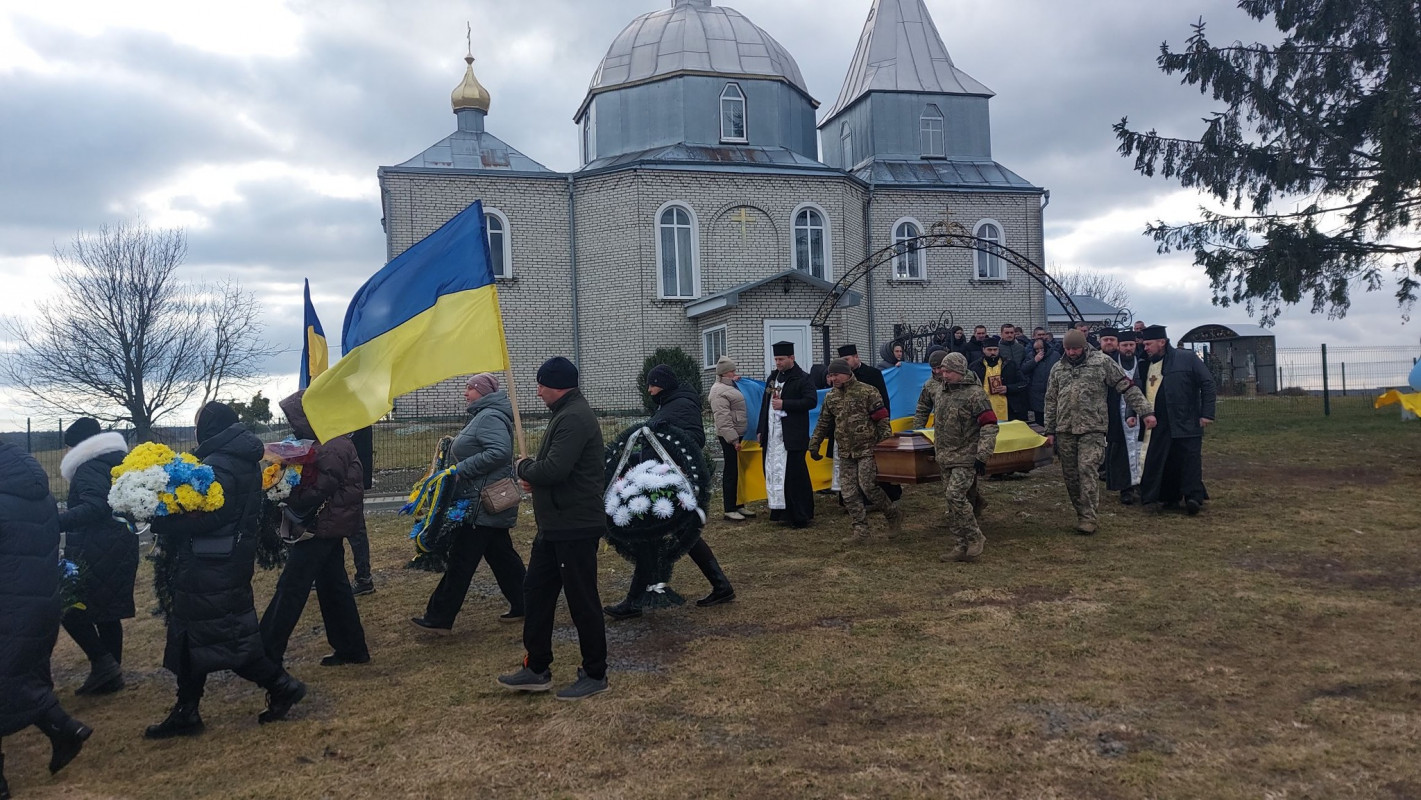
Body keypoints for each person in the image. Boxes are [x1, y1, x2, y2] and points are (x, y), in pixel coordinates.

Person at [146, 402, 305, 739]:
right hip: (221, 560)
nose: (195, 431)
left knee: (229, 641)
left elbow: (212, 516)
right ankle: (186, 710)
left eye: (198, 424)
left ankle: (282, 685)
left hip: (212, 563)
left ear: (210, 428)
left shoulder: (219, 464)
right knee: (195, 637)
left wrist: (164, 517)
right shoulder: (238, 458)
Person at [498, 357, 609, 700]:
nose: (537, 390)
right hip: (555, 525)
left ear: (556, 384)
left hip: (574, 525)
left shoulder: (574, 417)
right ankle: (537, 667)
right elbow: (556, 470)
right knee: (536, 592)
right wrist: (536, 478)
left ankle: (595, 672)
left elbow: (555, 469)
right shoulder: (564, 414)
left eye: (541, 384)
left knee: (581, 600)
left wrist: (526, 468)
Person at [604, 365, 734, 619]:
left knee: (651, 538)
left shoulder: (681, 405)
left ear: (662, 384)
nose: (649, 390)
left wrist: (666, 439)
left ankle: (634, 601)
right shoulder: (668, 403)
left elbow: (693, 440)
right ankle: (721, 585)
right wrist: (636, 460)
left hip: (670, 482)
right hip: (661, 478)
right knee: (683, 535)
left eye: (652, 385)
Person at [1, 442, 92, 792]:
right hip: (37, 602)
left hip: (8, 605)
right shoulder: (33, 489)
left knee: (12, 681)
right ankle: (66, 730)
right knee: (16, 680)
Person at [261, 391, 371, 668]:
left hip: (321, 525)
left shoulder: (332, 445)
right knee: (334, 587)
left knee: (291, 588)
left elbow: (320, 489)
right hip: (327, 525)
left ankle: (264, 652)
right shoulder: (329, 441)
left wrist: (284, 495)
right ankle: (352, 648)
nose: (293, 425)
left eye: (295, 418)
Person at [411, 373, 527, 634]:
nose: (465, 393)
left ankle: (439, 617)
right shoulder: (483, 415)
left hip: (480, 504)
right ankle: (527, 603)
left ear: (482, 391)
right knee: (502, 558)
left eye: (469, 388)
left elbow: (499, 452)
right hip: (480, 502)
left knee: (462, 562)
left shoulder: (490, 417)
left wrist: (460, 469)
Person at [1043, 330, 1156, 535]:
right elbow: (1051, 400)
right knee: (1071, 476)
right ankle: (1081, 512)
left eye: (1075, 348)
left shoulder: (1102, 362)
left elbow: (1127, 387)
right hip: (1065, 429)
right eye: (1068, 349)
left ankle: (1089, 517)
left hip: (1093, 428)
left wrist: (1145, 411)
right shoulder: (1058, 368)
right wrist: (1049, 430)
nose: (1071, 352)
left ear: (1084, 346)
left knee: (1087, 469)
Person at [56, 418, 137, 696]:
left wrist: (57, 522)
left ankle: (104, 665)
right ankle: (111, 673)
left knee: (68, 606)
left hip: (96, 547)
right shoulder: (114, 462)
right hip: (118, 544)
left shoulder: (88, 467)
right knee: (106, 612)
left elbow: (95, 507)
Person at [912, 353, 998, 562]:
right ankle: (960, 545)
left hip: (966, 456)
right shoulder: (940, 391)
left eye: (948, 371)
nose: (944, 374)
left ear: (960, 371)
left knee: (955, 495)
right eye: (942, 370)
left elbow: (989, 425)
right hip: (944, 456)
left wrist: (983, 454)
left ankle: (976, 536)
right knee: (953, 503)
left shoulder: (976, 394)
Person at [808, 359, 901, 543]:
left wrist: (885, 445)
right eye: (830, 375)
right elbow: (823, 422)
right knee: (849, 493)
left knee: (868, 487)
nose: (832, 378)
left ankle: (893, 515)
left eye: (836, 374)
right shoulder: (831, 397)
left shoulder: (867, 391)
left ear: (846, 373)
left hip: (867, 449)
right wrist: (814, 444)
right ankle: (861, 530)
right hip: (845, 452)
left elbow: (882, 420)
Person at [1137, 326, 1217, 515]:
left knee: (1189, 460)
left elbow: (1208, 383)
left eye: (1149, 344)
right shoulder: (1144, 364)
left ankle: (1193, 497)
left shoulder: (1187, 358)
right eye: (1144, 344)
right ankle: (1166, 497)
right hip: (1159, 422)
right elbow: (1137, 390)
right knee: (1162, 460)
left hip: (1187, 419)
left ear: (1162, 342)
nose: (1146, 348)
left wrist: (1207, 413)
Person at [757, 341, 818, 528]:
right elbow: (765, 405)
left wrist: (785, 404)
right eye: (776, 359)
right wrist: (761, 429)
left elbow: (811, 401)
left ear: (791, 358)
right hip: (773, 435)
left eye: (781, 359)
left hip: (792, 435)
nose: (778, 362)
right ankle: (780, 512)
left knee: (795, 475)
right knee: (775, 473)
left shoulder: (803, 378)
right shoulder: (773, 378)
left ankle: (800, 514)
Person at [840, 344, 901, 502]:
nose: (845, 363)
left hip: (870, 428)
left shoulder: (872, 374)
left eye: (847, 359)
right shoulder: (841, 377)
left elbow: (883, 401)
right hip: (849, 431)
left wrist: (883, 425)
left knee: (873, 464)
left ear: (856, 357)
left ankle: (881, 496)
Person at [709, 356, 753, 521]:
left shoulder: (731, 386)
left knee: (739, 470)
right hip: (729, 436)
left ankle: (739, 504)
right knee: (731, 470)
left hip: (739, 432)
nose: (734, 373)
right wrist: (733, 440)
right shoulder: (718, 391)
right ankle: (729, 507)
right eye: (731, 371)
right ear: (723, 373)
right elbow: (722, 418)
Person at [1104, 332, 1146, 503]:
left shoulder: (1143, 363)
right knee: (1121, 452)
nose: (1128, 349)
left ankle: (1142, 485)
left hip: (1141, 414)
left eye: (1131, 345)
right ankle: (1125, 489)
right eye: (1124, 345)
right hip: (1117, 413)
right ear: (1119, 347)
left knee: (1141, 449)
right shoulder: (1111, 364)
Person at [971, 336, 1026, 425]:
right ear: (983, 350)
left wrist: (1008, 388)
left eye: (995, 349)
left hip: (1007, 410)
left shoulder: (1010, 364)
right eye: (989, 350)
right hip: (983, 410)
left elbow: (1023, 383)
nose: (993, 352)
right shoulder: (975, 366)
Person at [347, 426, 375, 597]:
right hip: (347, 477)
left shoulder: (356, 419)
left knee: (356, 530)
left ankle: (364, 578)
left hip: (351, 479)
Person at [1021, 336, 1062, 425]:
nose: (1039, 351)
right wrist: (1034, 361)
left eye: (1041, 348)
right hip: (1036, 393)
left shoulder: (1055, 355)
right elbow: (1023, 369)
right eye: (1036, 349)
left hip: (1052, 391)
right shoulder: (1030, 356)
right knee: (1039, 420)